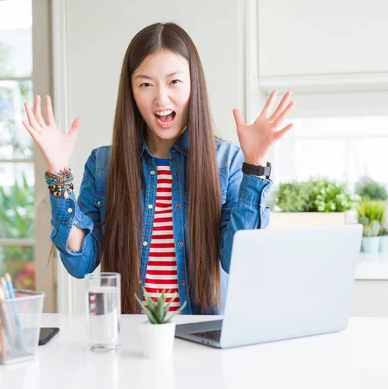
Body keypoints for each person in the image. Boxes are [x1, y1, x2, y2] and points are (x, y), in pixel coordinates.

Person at [22, 22, 295, 315]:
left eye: (174, 82)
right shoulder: (104, 165)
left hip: (201, 344)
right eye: (146, 84)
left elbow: (240, 261)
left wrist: (255, 165)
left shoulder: (226, 161)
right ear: (131, 92)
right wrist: (58, 171)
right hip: (130, 344)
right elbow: (80, 261)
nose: (161, 99)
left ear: (194, 85)